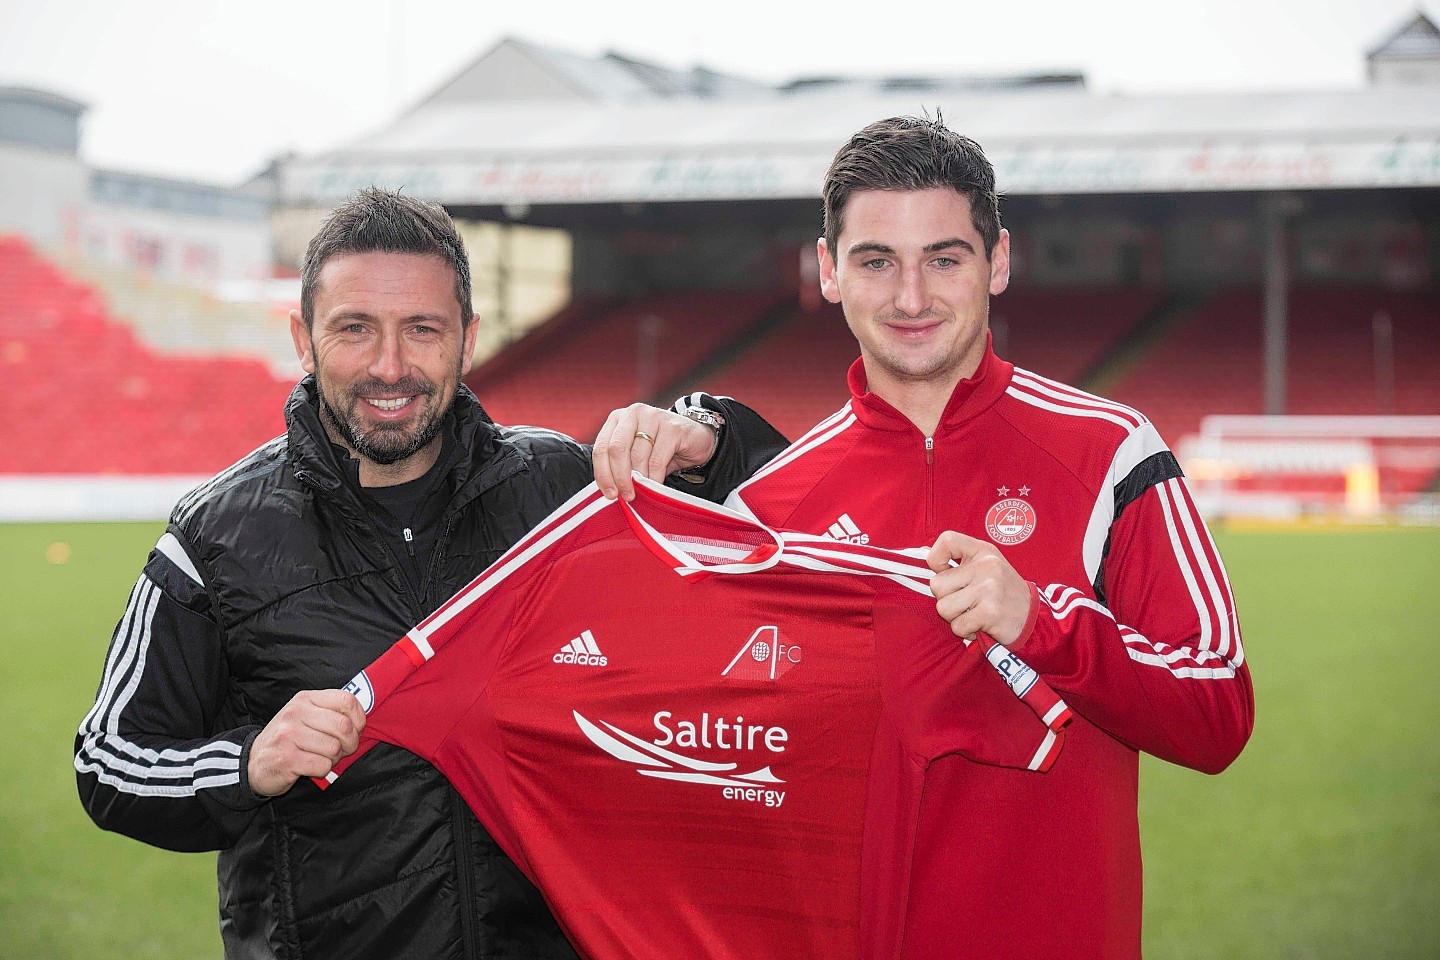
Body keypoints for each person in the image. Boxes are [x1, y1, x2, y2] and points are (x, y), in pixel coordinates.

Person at [73, 187, 786, 960]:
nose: (391, 366)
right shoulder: (216, 536)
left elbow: (793, 524)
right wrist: (248, 761)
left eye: (422, 329)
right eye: (355, 329)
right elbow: (108, 759)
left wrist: (707, 432)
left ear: (468, 339)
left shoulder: (561, 491)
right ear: (304, 340)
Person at [723, 117, 1255, 959]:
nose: (911, 297)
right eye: (875, 261)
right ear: (827, 272)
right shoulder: (767, 508)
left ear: (997, 260)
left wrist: (1046, 627)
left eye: (944, 257)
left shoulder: (1113, 453)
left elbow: (1218, 713)